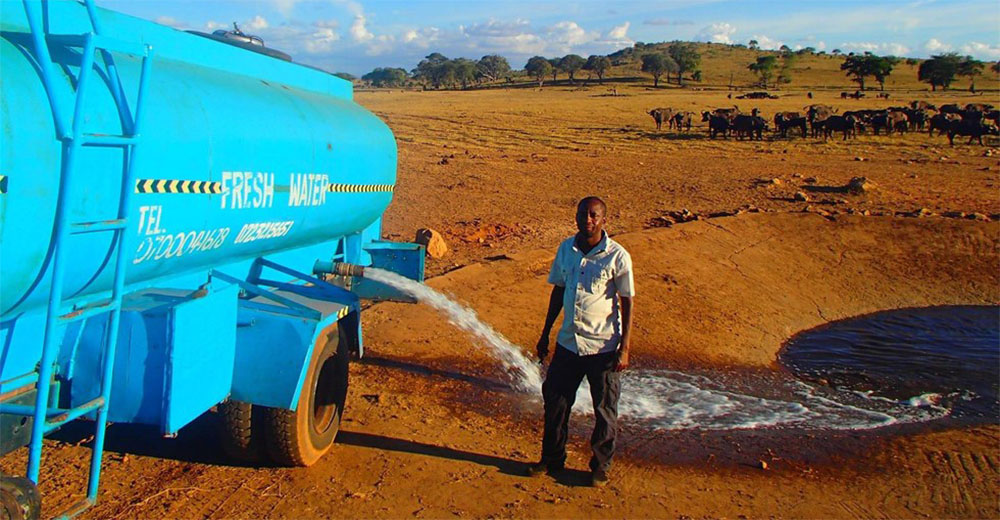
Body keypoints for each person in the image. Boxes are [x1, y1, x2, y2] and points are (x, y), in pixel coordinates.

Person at [526, 196, 634, 487]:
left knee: (605, 410)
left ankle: (600, 466)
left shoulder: (617, 256)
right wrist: (545, 332)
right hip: (569, 343)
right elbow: (558, 291)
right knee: (556, 403)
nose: (586, 219)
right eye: (582, 214)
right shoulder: (566, 249)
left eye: (593, 215)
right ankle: (551, 459)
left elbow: (627, 302)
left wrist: (624, 348)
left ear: (603, 220)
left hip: (603, 348)